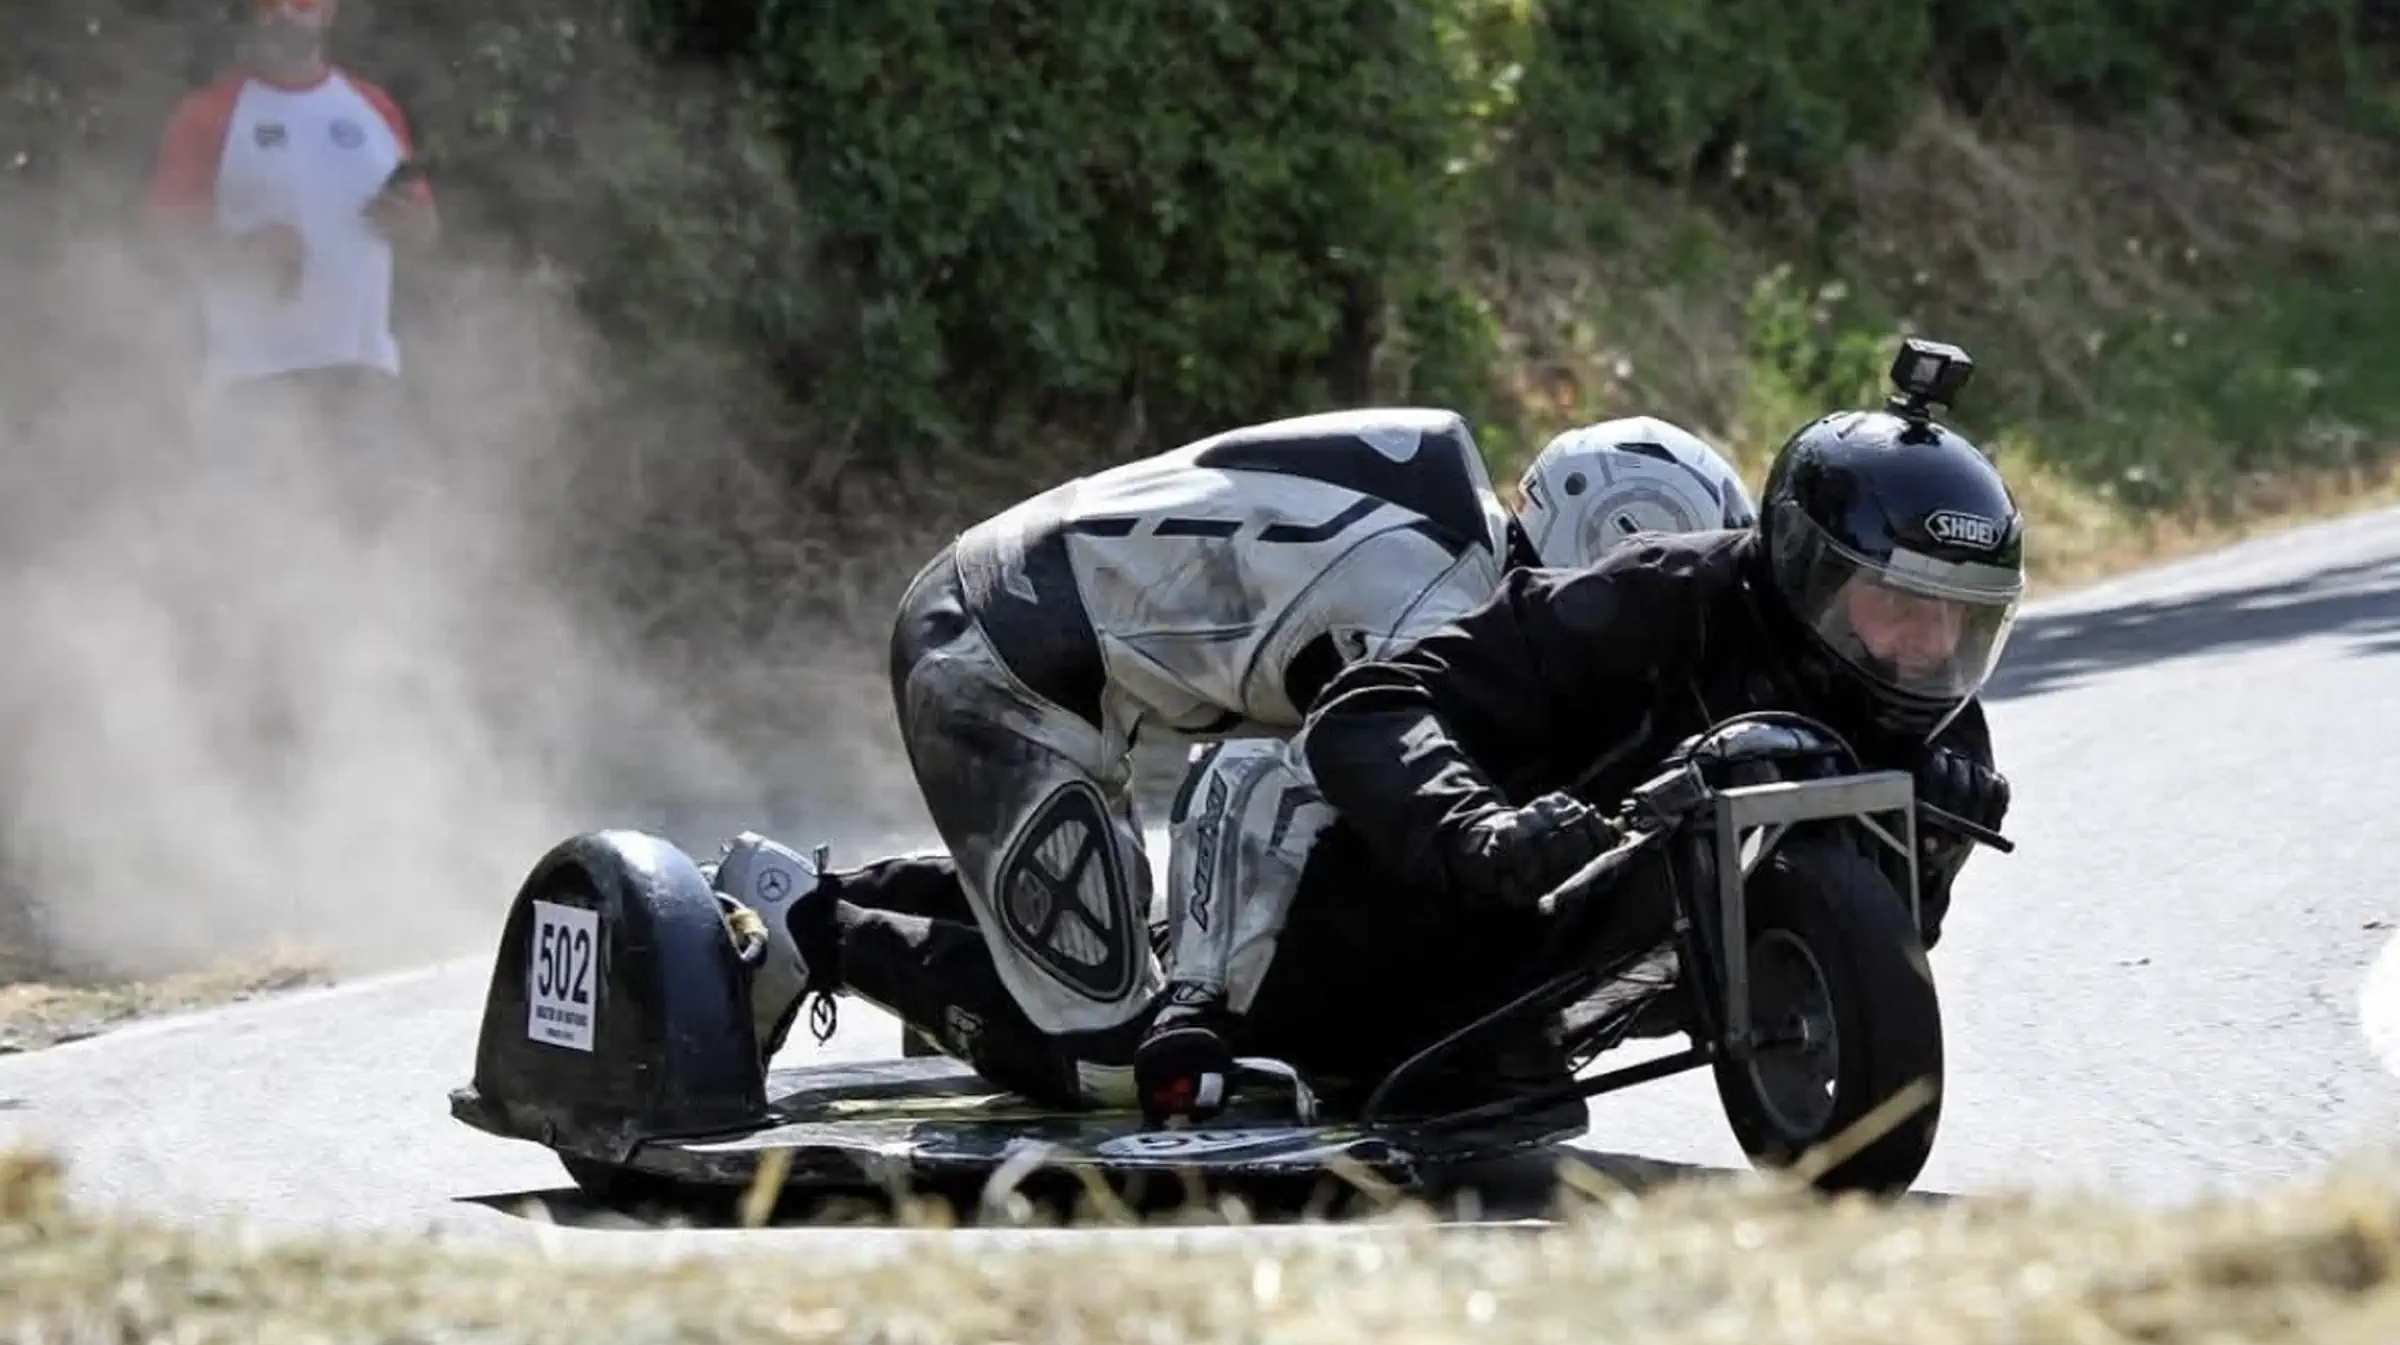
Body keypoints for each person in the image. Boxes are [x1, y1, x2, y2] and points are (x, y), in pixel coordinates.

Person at [705, 406, 1754, 1109]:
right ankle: (812, 926)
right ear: (1607, 542)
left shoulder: (1456, 553)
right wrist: (1197, 1008)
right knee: (1113, 1064)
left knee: (1127, 946)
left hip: (1042, 645)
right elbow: (1246, 787)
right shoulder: (1433, 594)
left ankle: (841, 898)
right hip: (998, 656)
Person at [1130, 341, 2025, 1127]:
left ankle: (1486, 1052)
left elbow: (1876, 955)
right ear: (1809, 568)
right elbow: (1368, 707)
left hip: (1547, 992)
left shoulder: (1929, 707)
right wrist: (1476, 831)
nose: (1929, 648)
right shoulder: (1647, 602)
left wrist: (1933, 850)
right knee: (1260, 766)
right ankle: (1191, 1008)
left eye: (1960, 620)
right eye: (1901, 606)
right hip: (1377, 938)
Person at [143, 0, 438, 462]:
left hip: (362, 374)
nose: (283, 13)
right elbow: (160, 239)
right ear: (255, 11)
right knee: (264, 538)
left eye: (300, 2)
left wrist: (411, 224)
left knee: (372, 539)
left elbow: (426, 228)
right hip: (254, 378)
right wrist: (239, 254)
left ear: (328, 11)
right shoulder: (210, 113)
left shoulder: (374, 108)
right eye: (270, 1)